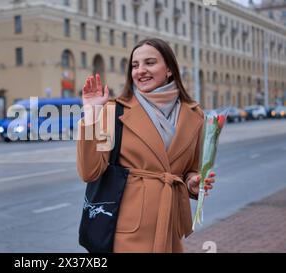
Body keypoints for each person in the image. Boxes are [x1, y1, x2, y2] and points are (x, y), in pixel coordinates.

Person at [77, 38, 216, 253]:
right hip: (127, 231)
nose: (140, 71)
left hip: (170, 229)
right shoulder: (115, 111)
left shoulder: (194, 115)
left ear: (169, 69)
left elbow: (190, 169)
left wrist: (193, 183)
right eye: (135, 65)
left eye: (150, 63)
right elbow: (90, 172)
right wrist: (92, 114)